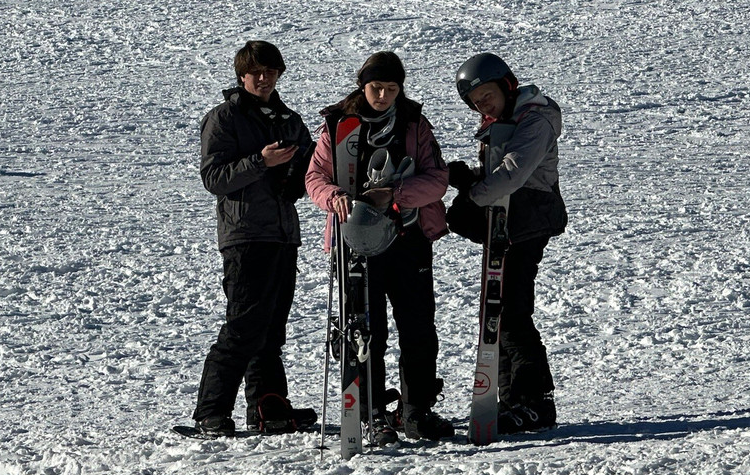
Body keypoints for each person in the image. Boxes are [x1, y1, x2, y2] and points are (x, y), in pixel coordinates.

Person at [305, 51, 454, 442]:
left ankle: (416, 409)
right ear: (363, 86)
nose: (384, 95)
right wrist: (334, 196)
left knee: (418, 328)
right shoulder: (338, 124)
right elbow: (315, 176)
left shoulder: (414, 123)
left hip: (409, 238)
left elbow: (438, 179)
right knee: (364, 330)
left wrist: (397, 194)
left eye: (391, 88)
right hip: (355, 242)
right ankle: (370, 412)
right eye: (376, 87)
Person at [195, 40, 316, 436]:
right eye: (256, 72)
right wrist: (260, 162)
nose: (264, 79)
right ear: (241, 76)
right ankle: (211, 412)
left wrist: (299, 174)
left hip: (283, 234)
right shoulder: (224, 118)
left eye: (271, 71)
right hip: (245, 234)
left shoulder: (289, 119)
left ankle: (269, 407)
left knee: (272, 329)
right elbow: (214, 178)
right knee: (243, 327)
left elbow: (312, 170)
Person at [448, 53, 567, 433]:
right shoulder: (503, 121)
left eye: (487, 95)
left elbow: (514, 172)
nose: (483, 104)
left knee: (512, 313)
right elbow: (499, 172)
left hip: (528, 221)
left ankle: (535, 400)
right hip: (506, 221)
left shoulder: (536, 117)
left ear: (506, 85)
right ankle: (510, 399)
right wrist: (469, 178)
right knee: (496, 313)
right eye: (476, 102)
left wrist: (473, 197)